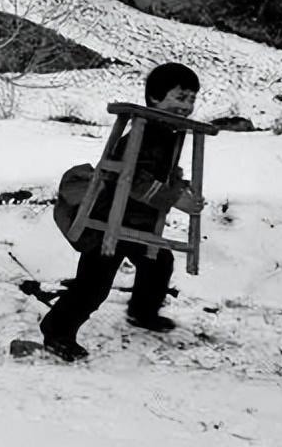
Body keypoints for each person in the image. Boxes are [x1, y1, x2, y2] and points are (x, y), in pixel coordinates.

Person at [41, 62, 205, 362]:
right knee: (93, 285)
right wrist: (173, 199)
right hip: (110, 221)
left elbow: (161, 173)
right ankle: (57, 331)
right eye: (180, 97)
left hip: (138, 222)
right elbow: (134, 180)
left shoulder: (165, 134)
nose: (187, 106)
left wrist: (179, 185)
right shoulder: (144, 134)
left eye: (192, 100)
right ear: (155, 98)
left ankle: (142, 312)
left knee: (159, 263)